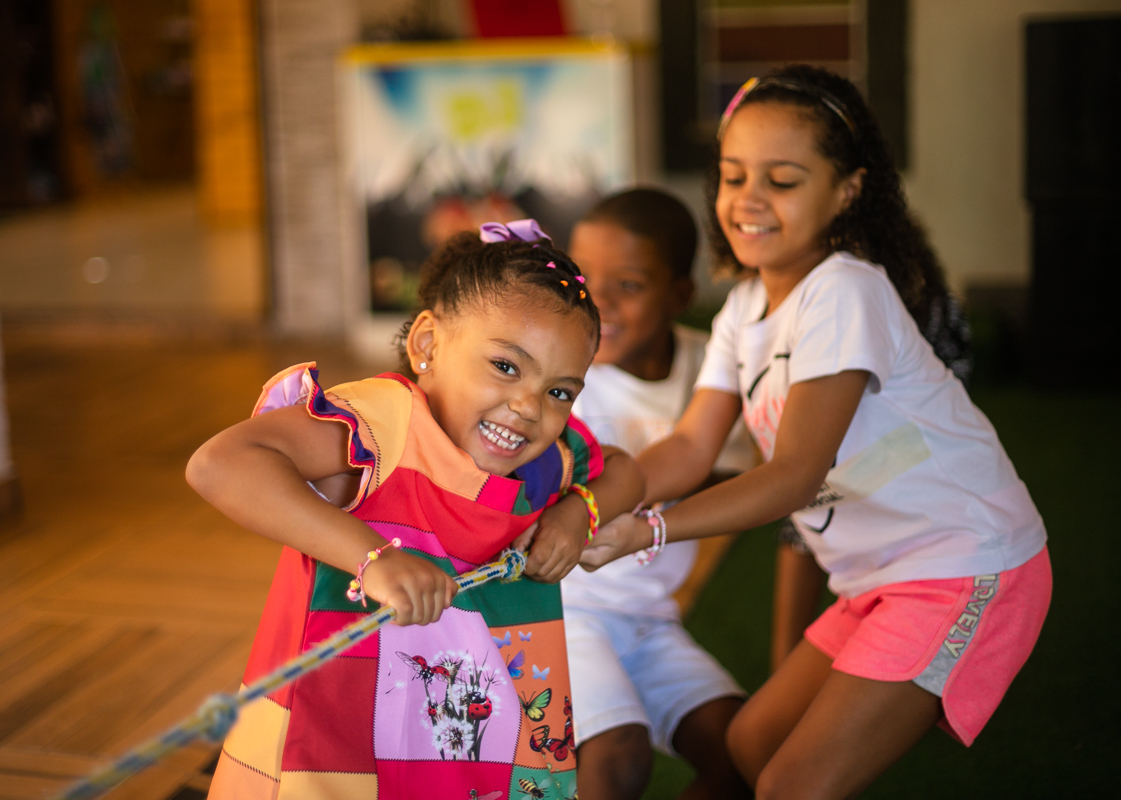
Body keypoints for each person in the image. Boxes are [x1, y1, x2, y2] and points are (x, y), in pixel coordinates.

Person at [581, 65, 1050, 799]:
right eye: (733, 176)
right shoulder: (742, 307)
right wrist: (590, 502)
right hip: (878, 577)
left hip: (961, 564)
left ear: (846, 191)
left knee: (791, 785)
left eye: (783, 179)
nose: (748, 200)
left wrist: (649, 531)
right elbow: (688, 446)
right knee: (749, 743)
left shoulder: (843, 289)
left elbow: (793, 475)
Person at [187, 220, 644, 800]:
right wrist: (370, 557)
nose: (529, 407)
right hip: (332, 753)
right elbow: (220, 463)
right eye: (506, 366)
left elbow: (626, 470)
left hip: (474, 752)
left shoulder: (542, 460)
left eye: (560, 391)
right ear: (427, 345)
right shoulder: (384, 424)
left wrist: (579, 512)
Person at [560, 188, 752, 800]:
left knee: (746, 756)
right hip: (563, 612)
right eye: (584, 277)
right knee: (617, 756)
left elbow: (746, 477)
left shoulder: (712, 372)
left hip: (650, 620)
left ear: (680, 296)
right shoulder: (562, 374)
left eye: (630, 285)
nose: (600, 302)